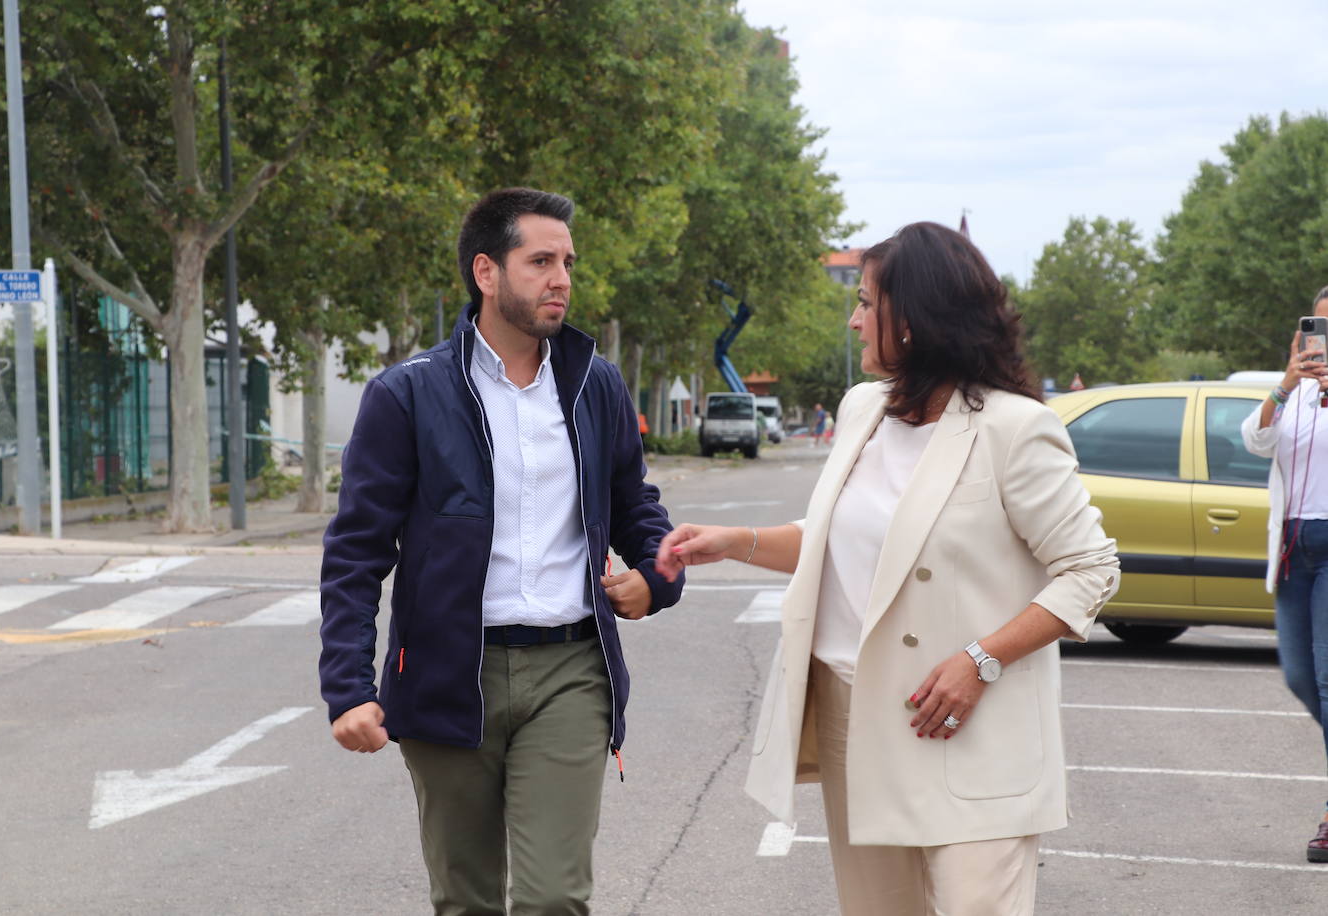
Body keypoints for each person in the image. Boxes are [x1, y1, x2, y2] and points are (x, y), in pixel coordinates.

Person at [656, 222, 1119, 915]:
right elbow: (843, 541)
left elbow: (1091, 570)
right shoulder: (863, 408)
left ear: (914, 319)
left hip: (967, 727)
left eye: (867, 303)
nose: (853, 319)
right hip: (857, 718)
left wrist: (981, 661)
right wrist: (734, 541)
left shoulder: (1014, 428)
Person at [319, 187, 684, 915]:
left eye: (568, 262)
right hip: (449, 676)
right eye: (540, 260)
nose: (562, 279)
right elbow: (356, 552)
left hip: (571, 672)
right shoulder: (407, 396)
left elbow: (633, 504)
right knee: (466, 900)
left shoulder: (595, 387)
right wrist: (348, 688)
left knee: (554, 899)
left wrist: (653, 575)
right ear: (486, 273)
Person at [1240, 285, 1328, 864]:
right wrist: (1286, 384)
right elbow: (1254, 439)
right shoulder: (1292, 392)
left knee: (1327, 680)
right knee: (1299, 677)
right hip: (1294, 548)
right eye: (1319, 327)